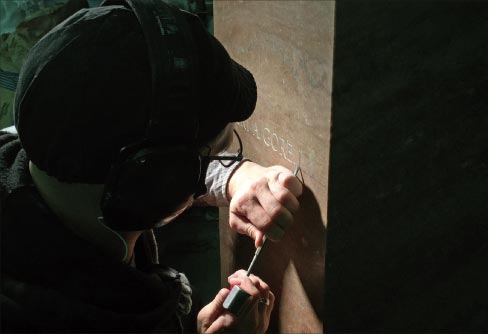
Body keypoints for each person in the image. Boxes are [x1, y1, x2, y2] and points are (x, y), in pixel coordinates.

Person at [0, 1, 302, 333]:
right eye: (212, 156)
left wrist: (232, 175)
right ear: (154, 185)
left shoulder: (36, 147)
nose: (213, 166)